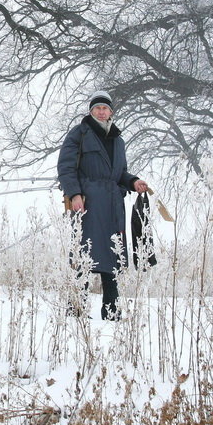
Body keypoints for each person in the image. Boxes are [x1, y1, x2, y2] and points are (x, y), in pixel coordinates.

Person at [57, 90, 149, 320]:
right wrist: (75, 194)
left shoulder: (118, 139)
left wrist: (133, 181)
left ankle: (112, 312)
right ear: (91, 111)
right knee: (85, 255)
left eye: (105, 108)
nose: (101, 111)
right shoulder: (79, 134)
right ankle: (76, 309)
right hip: (87, 204)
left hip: (113, 205)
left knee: (114, 258)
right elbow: (66, 167)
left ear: (111, 112)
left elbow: (120, 173)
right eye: (97, 107)